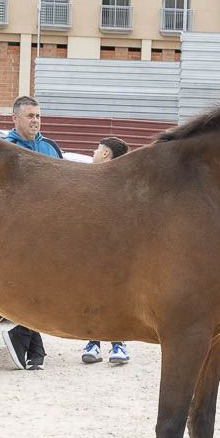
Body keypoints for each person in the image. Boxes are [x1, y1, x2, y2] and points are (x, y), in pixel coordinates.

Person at [2, 95, 63, 370]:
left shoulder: (50, 148)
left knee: (45, 288)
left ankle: (27, 343)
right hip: (18, 232)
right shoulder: (3, 149)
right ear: (14, 119)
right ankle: (31, 347)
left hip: (49, 232)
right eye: (30, 116)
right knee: (32, 288)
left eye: (38, 115)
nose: (35, 120)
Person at [82, 136, 132, 366]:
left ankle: (117, 343)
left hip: (114, 251)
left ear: (105, 154)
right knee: (92, 295)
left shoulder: (119, 182)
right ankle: (93, 341)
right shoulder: (91, 179)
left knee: (114, 298)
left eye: (96, 149)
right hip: (92, 249)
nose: (93, 152)